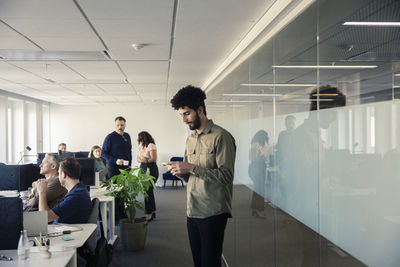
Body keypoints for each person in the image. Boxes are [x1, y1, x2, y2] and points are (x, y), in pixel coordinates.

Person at [169, 85, 236, 267]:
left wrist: (191, 167)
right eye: (181, 115)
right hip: (192, 210)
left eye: (187, 114)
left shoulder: (221, 137)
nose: (184, 119)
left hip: (213, 212)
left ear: (200, 110)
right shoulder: (190, 139)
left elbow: (226, 176)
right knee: (198, 262)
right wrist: (180, 172)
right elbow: (190, 175)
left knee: (210, 263)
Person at [36, 157, 92, 223]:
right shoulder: (79, 190)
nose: (58, 176)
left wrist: (42, 192)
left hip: (65, 231)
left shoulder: (75, 196)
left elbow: (44, 218)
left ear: (63, 174)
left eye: (59, 173)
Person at [101, 116, 132, 221]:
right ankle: (116, 217)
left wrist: (130, 164)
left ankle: (122, 215)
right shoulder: (110, 137)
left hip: (125, 169)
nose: (120, 127)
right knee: (115, 194)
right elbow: (103, 153)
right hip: (113, 168)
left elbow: (129, 151)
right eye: (118, 125)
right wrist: (115, 160)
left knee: (123, 192)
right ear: (115, 125)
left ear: (125, 125)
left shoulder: (127, 136)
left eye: (122, 125)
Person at [137, 131, 159, 221]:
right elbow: (137, 159)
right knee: (148, 191)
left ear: (144, 138)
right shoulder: (140, 146)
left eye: (140, 138)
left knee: (148, 191)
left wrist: (144, 160)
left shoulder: (151, 145)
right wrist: (143, 160)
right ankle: (152, 213)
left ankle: (149, 214)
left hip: (151, 169)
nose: (138, 140)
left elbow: (153, 158)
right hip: (142, 168)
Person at [248, 130, 269, 219]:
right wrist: (263, 158)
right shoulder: (256, 144)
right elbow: (252, 157)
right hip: (257, 167)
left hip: (259, 167)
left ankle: (255, 209)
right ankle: (259, 210)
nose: (267, 138)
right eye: (266, 136)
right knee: (260, 190)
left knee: (258, 189)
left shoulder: (260, 144)